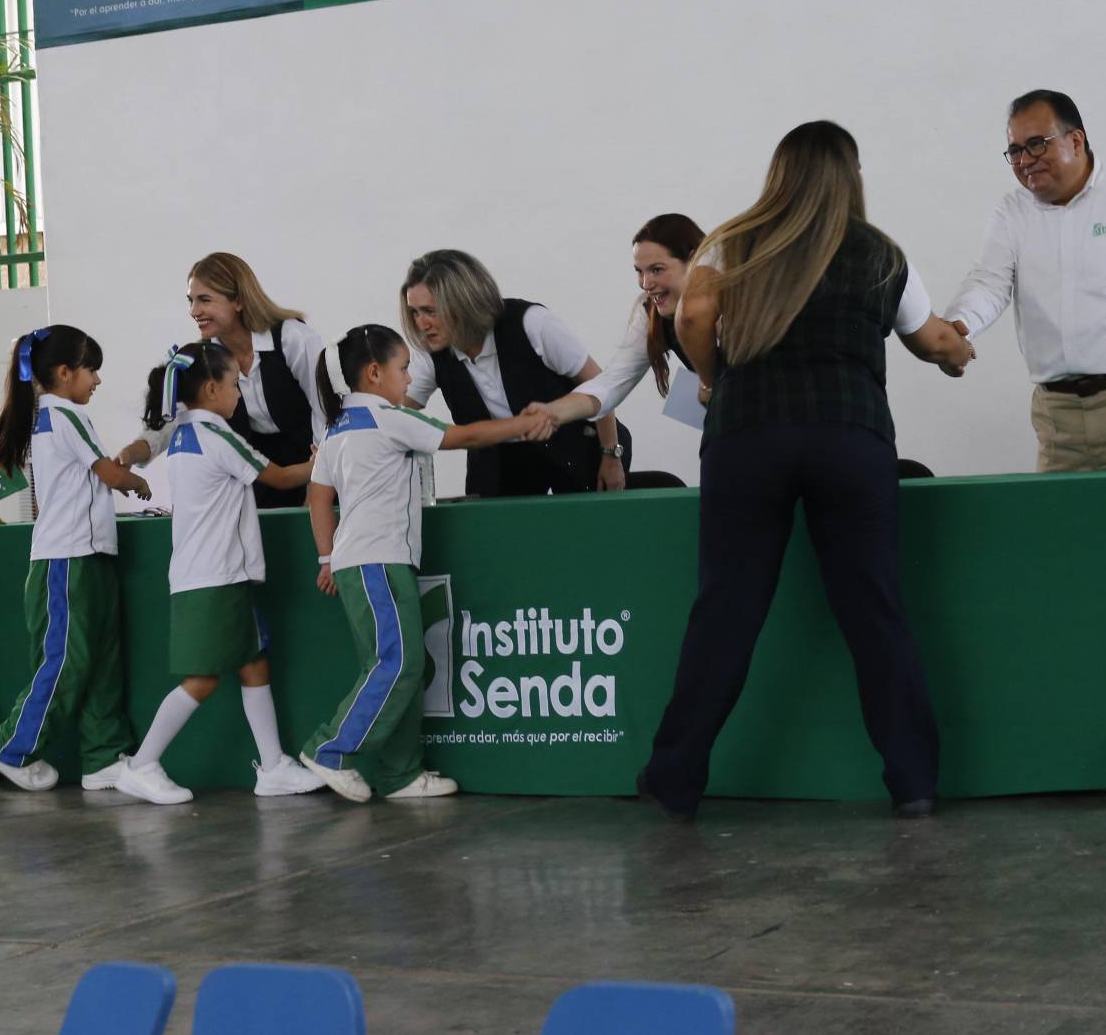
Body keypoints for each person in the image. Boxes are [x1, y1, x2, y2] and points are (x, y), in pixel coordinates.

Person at [639, 121, 972, 821]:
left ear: (779, 174)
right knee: (874, 610)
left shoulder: (732, 240)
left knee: (726, 611)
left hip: (747, 436)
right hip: (849, 435)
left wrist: (714, 376)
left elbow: (692, 317)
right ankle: (913, 780)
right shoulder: (882, 253)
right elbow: (933, 338)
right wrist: (956, 355)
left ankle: (674, 778)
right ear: (851, 177)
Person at [300, 325, 552, 803]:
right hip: (379, 561)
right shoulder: (387, 417)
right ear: (375, 374)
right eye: (403, 368)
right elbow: (463, 436)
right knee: (398, 663)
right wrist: (522, 424)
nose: (410, 377)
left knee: (399, 667)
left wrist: (328, 558)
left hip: (363, 562)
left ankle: (401, 774)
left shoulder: (337, 427)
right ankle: (330, 750)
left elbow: (318, 497)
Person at [945, 89, 1106, 472]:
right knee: (1058, 515)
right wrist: (956, 326)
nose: (1025, 160)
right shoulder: (1013, 212)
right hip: (1056, 418)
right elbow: (988, 282)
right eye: (1015, 150)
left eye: (1037, 144)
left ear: (1076, 141)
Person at [115, 342, 325, 806]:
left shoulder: (184, 433)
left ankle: (273, 766)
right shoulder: (217, 436)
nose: (239, 393)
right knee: (203, 679)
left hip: (214, 574)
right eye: (234, 384)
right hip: (216, 577)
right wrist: (322, 462)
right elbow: (281, 478)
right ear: (211, 389)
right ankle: (142, 765)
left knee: (254, 663)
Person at [0, 326, 152, 794]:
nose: (97, 380)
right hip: (66, 560)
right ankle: (10, 745)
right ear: (64, 372)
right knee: (66, 662)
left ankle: (103, 755)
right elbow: (109, 473)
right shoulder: (63, 414)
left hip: (90, 555)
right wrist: (136, 482)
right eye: (91, 370)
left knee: (101, 662)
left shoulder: (54, 416)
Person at [400, 250, 628, 497]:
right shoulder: (431, 356)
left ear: (464, 302)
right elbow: (393, 412)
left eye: (430, 311)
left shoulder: (532, 323)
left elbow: (600, 387)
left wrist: (611, 453)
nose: (421, 324)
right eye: (415, 312)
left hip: (580, 447)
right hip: (501, 465)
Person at [116, 253, 328, 510]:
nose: (194, 311)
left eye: (204, 300)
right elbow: (172, 421)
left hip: (317, 462)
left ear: (238, 301)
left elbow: (325, 409)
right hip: (262, 472)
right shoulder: (206, 359)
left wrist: (319, 481)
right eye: (191, 300)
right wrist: (130, 453)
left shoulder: (292, 338)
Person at [529, 214, 706, 442]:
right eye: (639, 271)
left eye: (657, 269)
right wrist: (552, 412)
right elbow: (612, 382)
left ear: (693, 260)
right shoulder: (650, 312)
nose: (645, 283)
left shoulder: (740, 303)